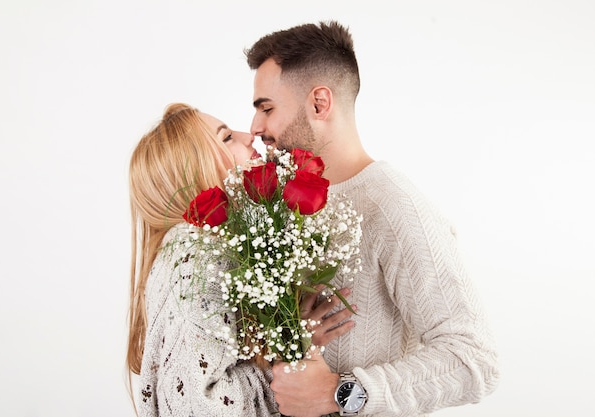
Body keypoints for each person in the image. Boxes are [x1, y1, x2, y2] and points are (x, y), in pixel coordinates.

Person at [244, 21, 500, 417]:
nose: (256, 128)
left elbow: (473, 359)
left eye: (266, 108)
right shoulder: (279, 203)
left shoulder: (395, 206)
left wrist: (342, 393)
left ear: (319, 103)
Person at [125, 103, 355, 416]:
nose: (249, 135)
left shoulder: (199, 249)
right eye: (227, 138)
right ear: (195, 169)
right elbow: (197, 406)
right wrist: (293, 351)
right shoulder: (195, 254)